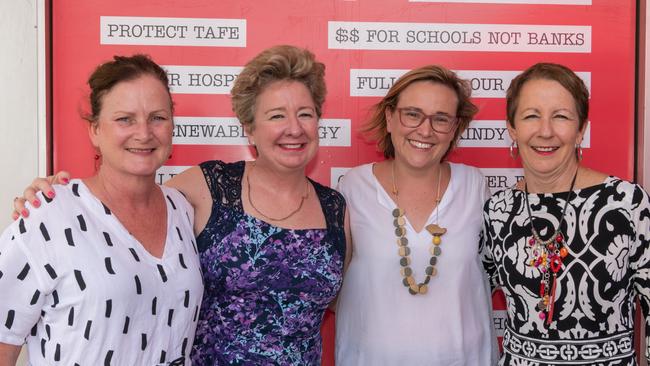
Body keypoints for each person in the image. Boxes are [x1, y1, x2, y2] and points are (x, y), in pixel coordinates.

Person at [12, 45, 349, 365]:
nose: (294, 128)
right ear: (249, 128)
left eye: (305, 113)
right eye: (277, 115)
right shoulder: (209, 187)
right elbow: (119, 204)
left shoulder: (335, 208)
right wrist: (50, 198)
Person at [0, 54, 203, 365]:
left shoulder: (184, 210)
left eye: (158, 118)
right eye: (125, 119)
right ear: (94, 130)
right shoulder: (47, 216)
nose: (144, 133)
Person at [481, 62, 650, 365]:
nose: (545, 131)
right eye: (531, 116)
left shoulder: (626, 203)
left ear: (580, 129)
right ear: (512, 128)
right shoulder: (498, 211)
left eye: (560, 116)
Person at [335, 65, 498, 365]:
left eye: (441, 119)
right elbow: (327, 286)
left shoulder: (476, 187)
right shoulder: (351, 188)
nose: (425, 130)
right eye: (412, 114)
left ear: (455, 128)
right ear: (389, 117)